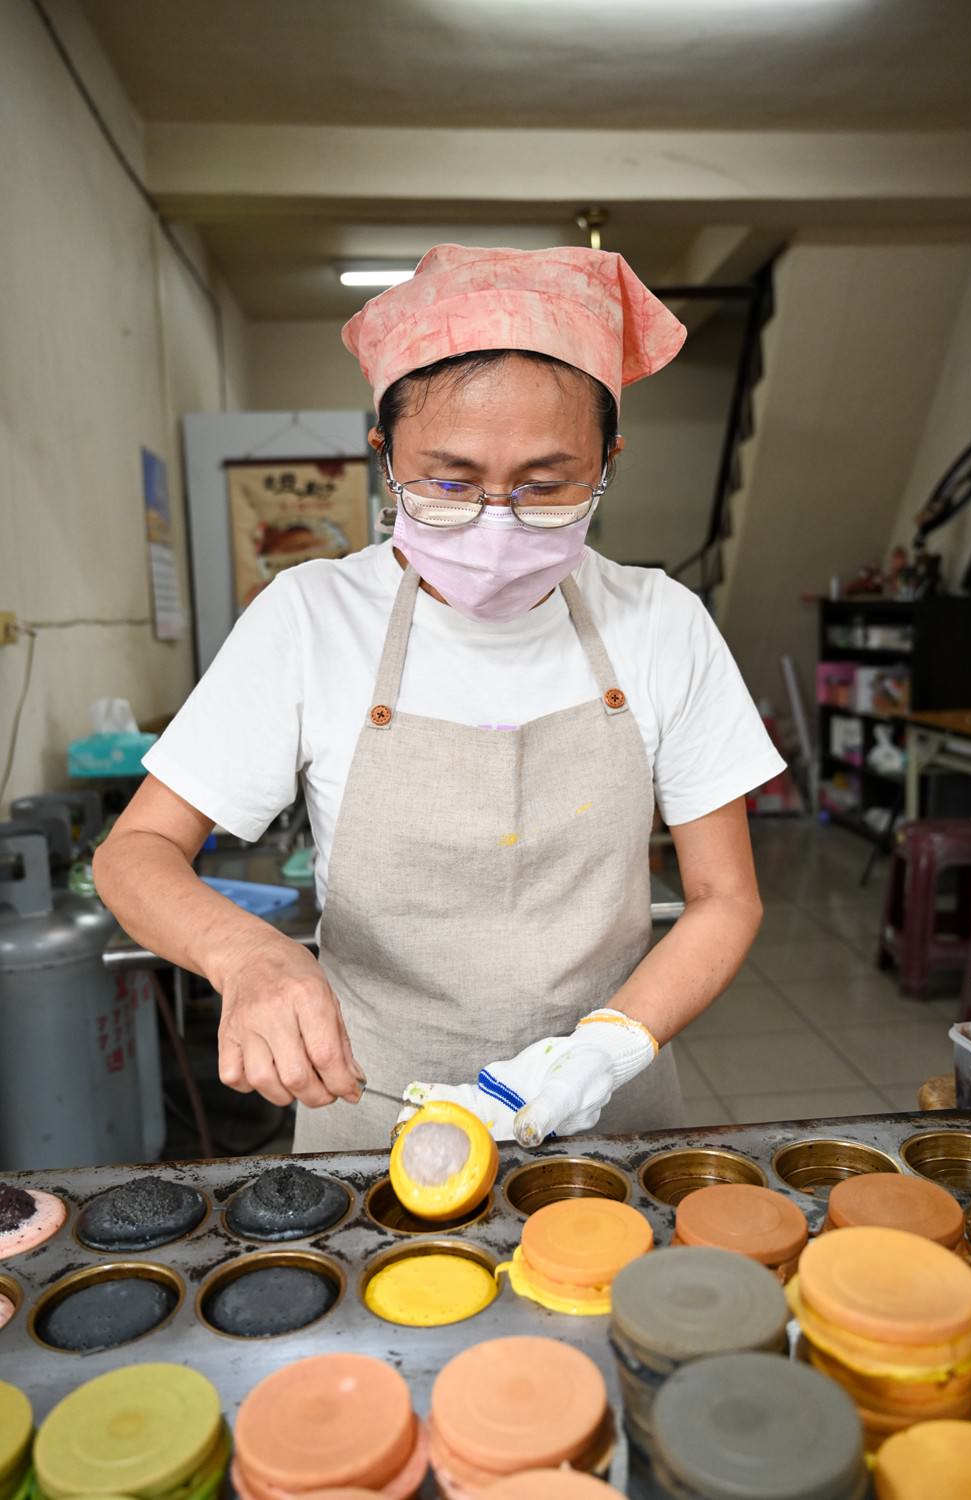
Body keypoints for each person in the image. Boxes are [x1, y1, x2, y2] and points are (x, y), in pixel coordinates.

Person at [94, 244, 784, 1153]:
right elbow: (135, 853)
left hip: (609, 1122)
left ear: (609, 460)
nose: (496, 520)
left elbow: (725, 897)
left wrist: (606, 1052)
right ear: (384, 456)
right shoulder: (310, 618)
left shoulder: (661, 623)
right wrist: (248, 956)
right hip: (374, 1109)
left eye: (546, 484)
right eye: (449, 482)